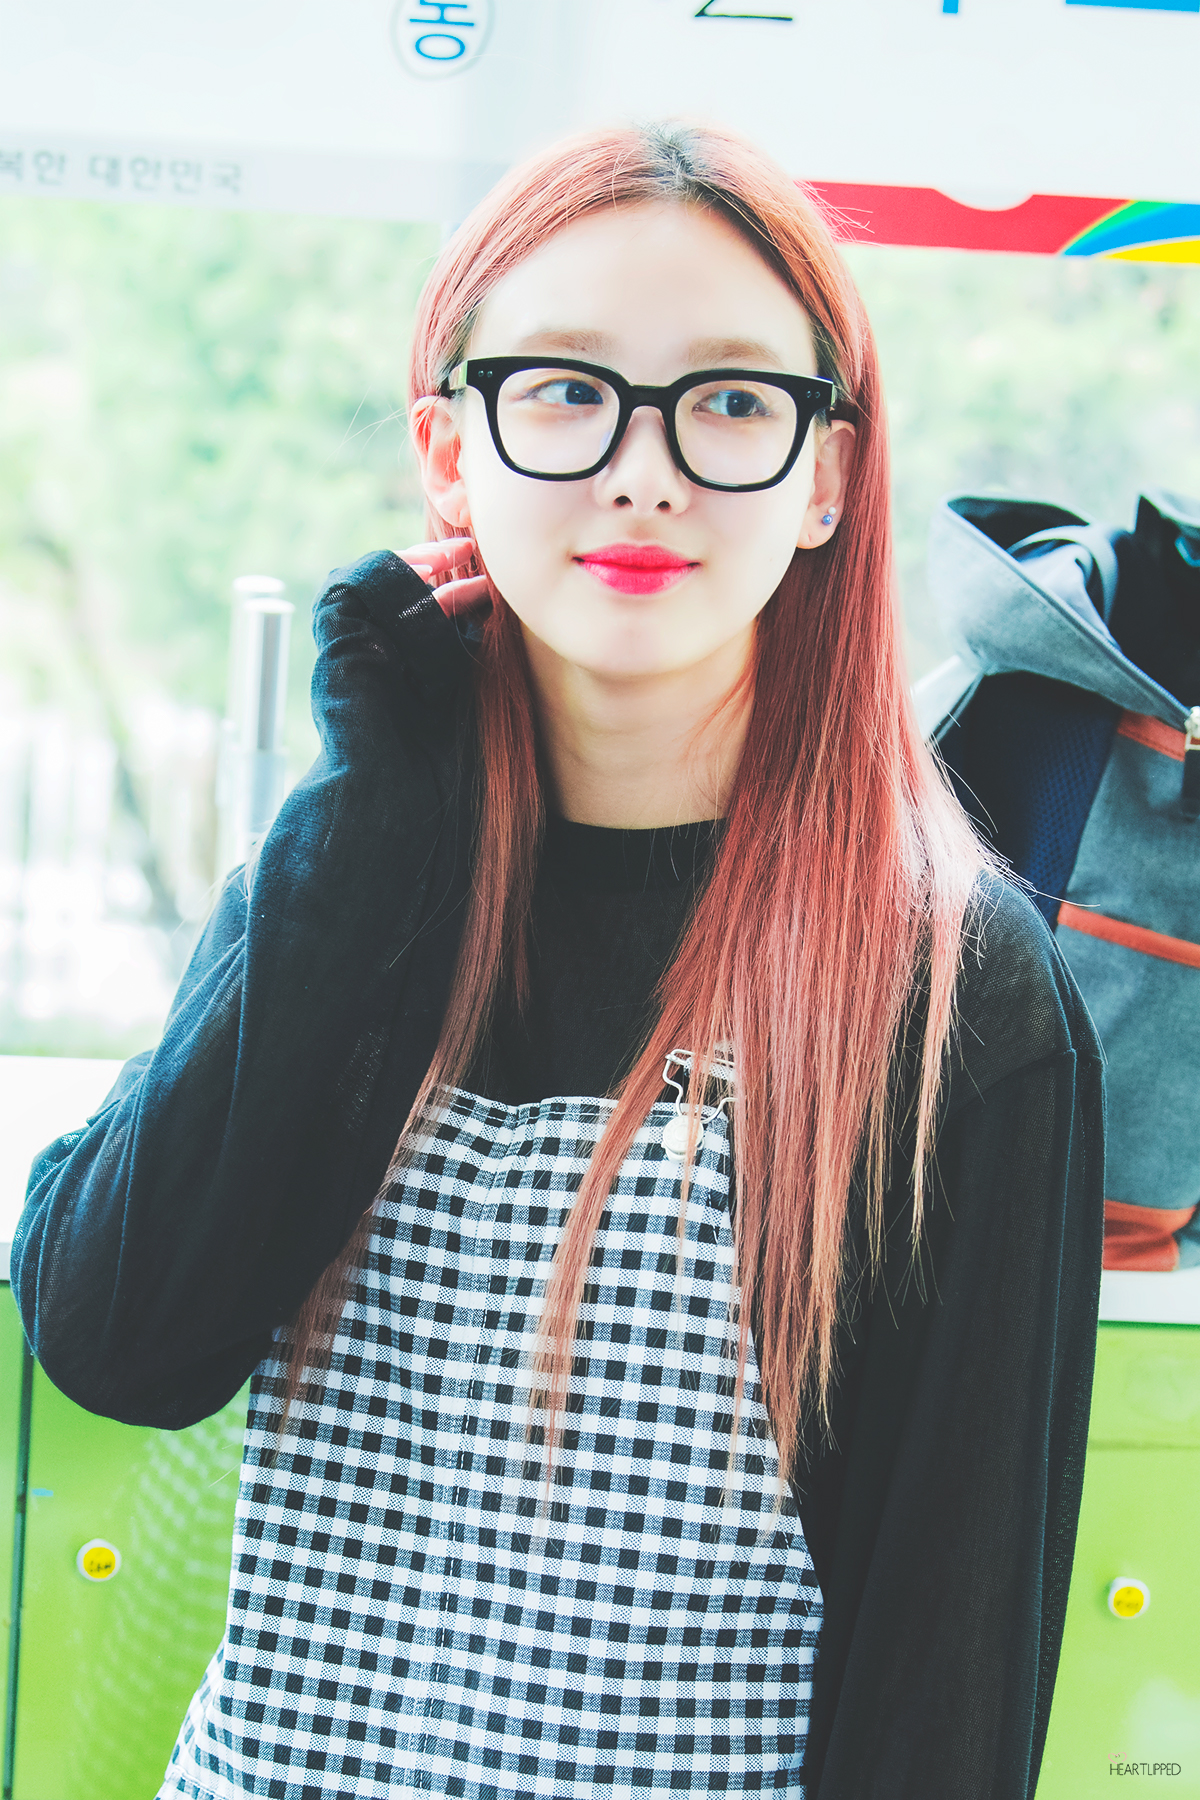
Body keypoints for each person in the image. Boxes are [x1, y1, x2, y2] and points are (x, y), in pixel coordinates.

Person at [13, 123, 1104, 1800]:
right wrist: (364, 821)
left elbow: (941, 1695)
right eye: (568, 390)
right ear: (450, 451)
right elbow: (119, 1338)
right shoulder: (356, 873)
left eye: (729, 401)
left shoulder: (950, 988)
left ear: (826, 475)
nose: (643, 471)